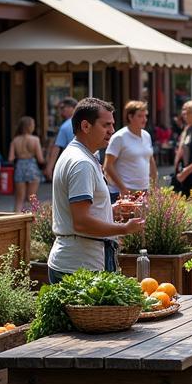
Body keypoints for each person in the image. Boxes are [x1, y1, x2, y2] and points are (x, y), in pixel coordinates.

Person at [47, 97, 144, 281]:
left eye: (113, 124)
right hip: (78, 268)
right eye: (106, 125)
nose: (112, 131)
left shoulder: (82, 155)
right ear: (86, 126)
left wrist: (110, 209)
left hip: (80, 263)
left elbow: (81, 212)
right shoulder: (81, 163)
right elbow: (81, 222)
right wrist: (123, 228)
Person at [105, 100, 156, 201]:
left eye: (145, 116)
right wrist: (123, 189)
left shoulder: (146, 135)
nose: (144, 119)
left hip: (144, 191)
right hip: (123, 193)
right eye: (140, 116)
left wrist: (154, 186)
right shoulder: (119, 137)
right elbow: (107, 166)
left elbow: (150, 159)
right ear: (130, 117)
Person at [8, 116, 45, 212]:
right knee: (32, 198)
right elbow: (40, 159)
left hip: (20, 167)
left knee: (19, 199)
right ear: (29, 126)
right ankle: (37, 221)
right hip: (32, 166)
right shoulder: (35, 140)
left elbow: (10, 158)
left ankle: (15, 221)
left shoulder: (15, 140)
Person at [172, 101, 192, 195]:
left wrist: (185, 172)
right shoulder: (187, 129)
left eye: (186, 113)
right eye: (183, 112)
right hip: (184, 174)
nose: (183, 115)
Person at [45, 97, 77, 180]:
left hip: (71, 163)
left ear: (72, 108)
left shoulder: (65, 126)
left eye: (63, 108)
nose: (60, 111)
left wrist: (49, 167)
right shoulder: (86, 122)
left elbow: (57, 147)